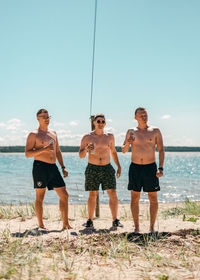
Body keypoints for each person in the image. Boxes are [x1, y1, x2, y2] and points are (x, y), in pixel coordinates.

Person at [25, 109, 72, 230]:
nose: (47, 119)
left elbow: (58, 151)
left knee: (64, 195)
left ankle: (65, 223)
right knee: (40, 197)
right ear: (38, 118)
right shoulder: (33, 134)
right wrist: (44, 149)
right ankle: (41, 224)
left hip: (53, 167)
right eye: (44, 116)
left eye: (48, 116)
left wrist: (63, 167)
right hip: (40, 166)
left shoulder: (53, 133)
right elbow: (28, 154)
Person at [122, 107, 164, 233]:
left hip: (150, 167)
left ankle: (151, 228)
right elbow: (123, 150)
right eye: (141, 115)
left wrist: (160, 168)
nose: (143, 117)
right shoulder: (131, 131)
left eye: (145, 115)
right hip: (135, 167)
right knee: (134, 198)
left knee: (153, 198)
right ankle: (136, 227)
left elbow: (161, 150)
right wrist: (128, 143)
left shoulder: (155, 131)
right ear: (135, 117)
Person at [79, 114, 123, 228]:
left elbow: (113, 152)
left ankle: (115, 220)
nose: (101, 123)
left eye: (103, 121)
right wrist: (86, 149)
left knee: (112, 193)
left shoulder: (109, 136)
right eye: (98, 121)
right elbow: (81, 155)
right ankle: (90, 220)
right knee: (92, 194)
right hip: (92, 167)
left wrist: (118, 166)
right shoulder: (87, 137)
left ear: (105, 123)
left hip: (107, 167)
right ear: (94, 122)